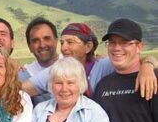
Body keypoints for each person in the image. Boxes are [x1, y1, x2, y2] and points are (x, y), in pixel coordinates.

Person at [22, 22, 157, 101]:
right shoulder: (57, 71)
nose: (63, 48)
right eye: (62, 43)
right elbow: (21, 90)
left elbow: (136, 60)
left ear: (88, 47)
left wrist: (147, 67)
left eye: (70, 42)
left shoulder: (103, 65)